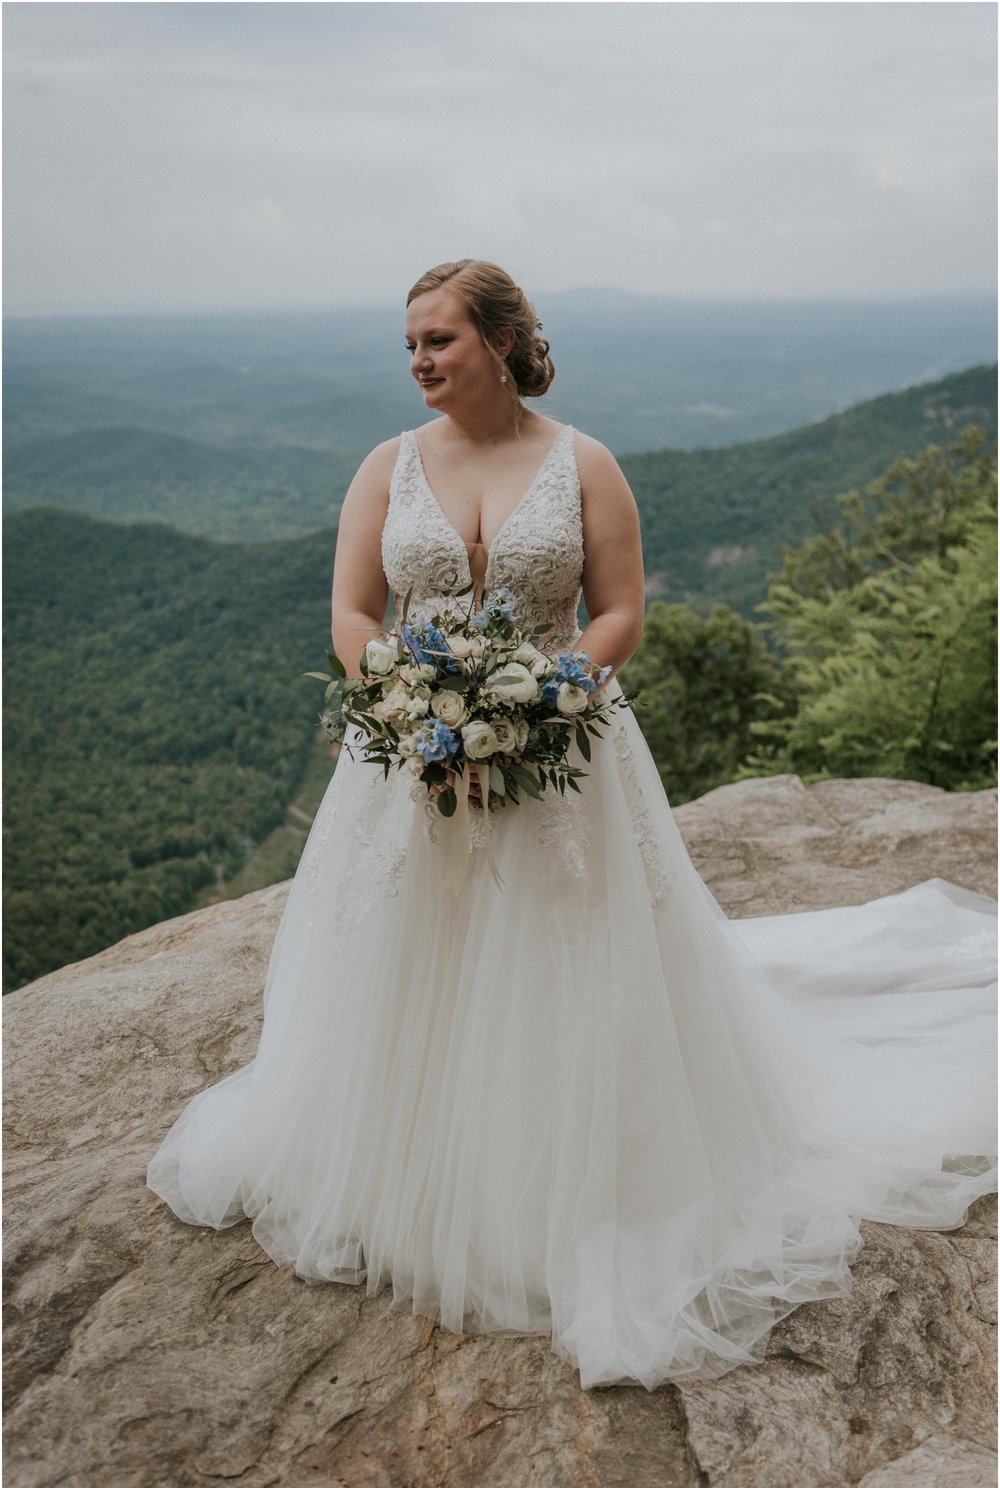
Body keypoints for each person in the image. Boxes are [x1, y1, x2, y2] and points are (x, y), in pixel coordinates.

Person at [147, 259, 997, 1392]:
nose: (417, 362)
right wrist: (404, 693)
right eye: (408, 345)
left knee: (564, 948)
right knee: (406, 954)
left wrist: (541, 697)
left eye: (438, 340)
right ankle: (416, 1161)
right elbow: (353, 612)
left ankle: (562, 1176)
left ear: (500, 342)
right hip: (409, 757)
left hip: (562, 753)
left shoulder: (583, 463)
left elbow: (621, 611)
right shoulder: (382, 468)